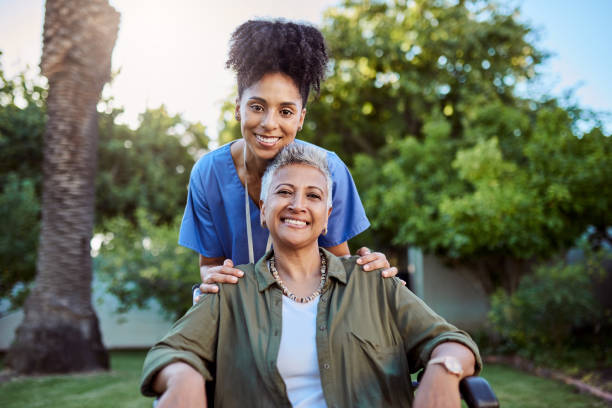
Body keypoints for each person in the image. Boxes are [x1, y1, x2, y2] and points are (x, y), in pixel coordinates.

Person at [141, 143, 482, 407]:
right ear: (263, 210)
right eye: (284, 192)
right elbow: (169, 351)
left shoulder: (372, 281)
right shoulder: (231, 291)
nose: (297, 205)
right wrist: (182, 377)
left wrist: (443, 370)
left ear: (327, 215)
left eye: (313, 195)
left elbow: (450, 341)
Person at [177, 19, 397, 298]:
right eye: (257, 107)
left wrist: (369, 271)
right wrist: (211, 278)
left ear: (301, 117)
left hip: (309, 310)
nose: (269, 123)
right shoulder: (208, 174)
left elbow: (339, 266)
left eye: (286, 111)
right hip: (241, 315)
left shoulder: (328, 170)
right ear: (237, 108)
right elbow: (210, 265)